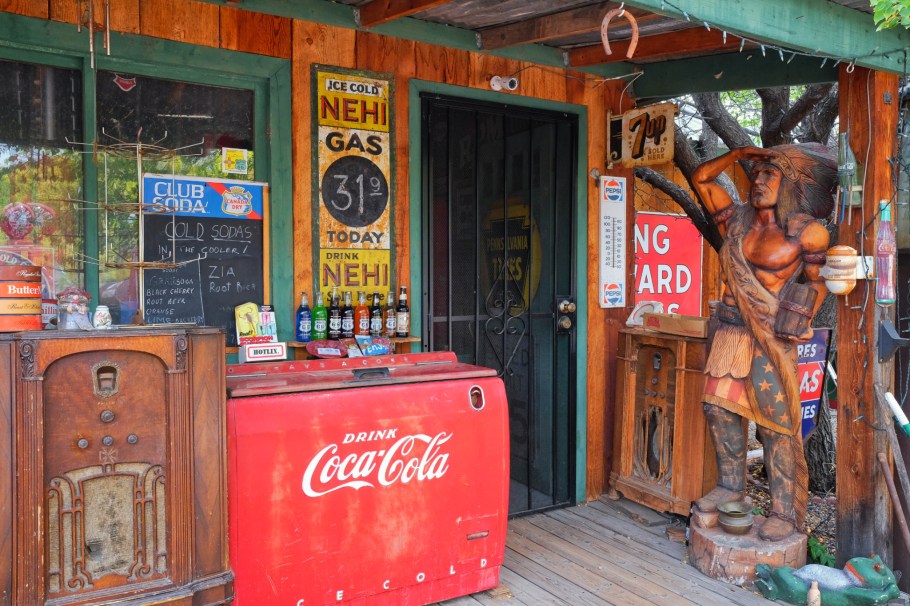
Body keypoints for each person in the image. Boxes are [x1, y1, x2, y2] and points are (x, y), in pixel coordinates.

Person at [690, 143, 836, 541]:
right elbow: (702, 178)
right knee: (718, 411)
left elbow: (817, 286)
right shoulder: (735, 221)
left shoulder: (808, 231)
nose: (758, 181)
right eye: (756, 174)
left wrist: (796, 317)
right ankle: (731, 488)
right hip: (731, 330)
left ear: (789, 182)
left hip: (771, 337)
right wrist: (738, 153)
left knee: (776, 424)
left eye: (770, 174)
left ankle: (785, 511)